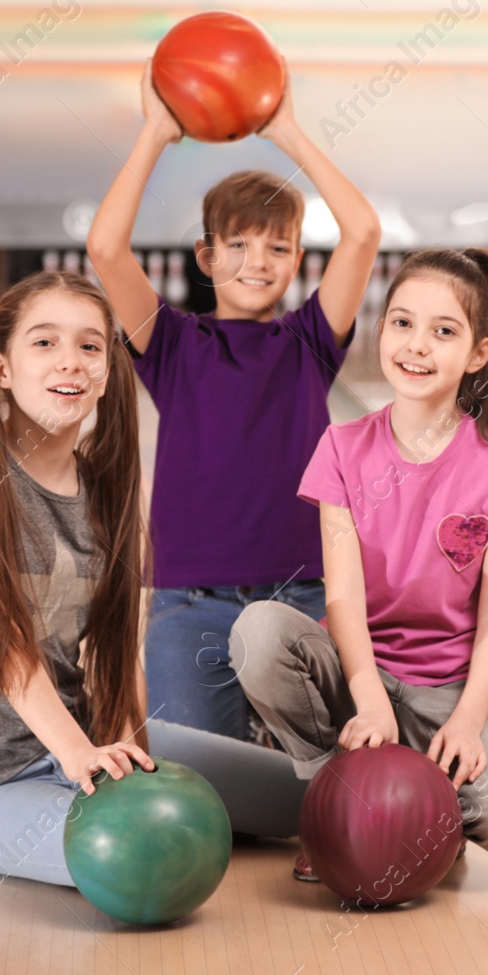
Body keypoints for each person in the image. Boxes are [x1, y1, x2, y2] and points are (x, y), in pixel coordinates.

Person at [0, 272, 310, 887]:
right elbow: (4, 644)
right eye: (44, 343)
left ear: (106, 371)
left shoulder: (101, 491)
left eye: (90, 346)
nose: (70, 360)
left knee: (315, 799)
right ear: (0, 370)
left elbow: (119, 648)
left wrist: (127, 749)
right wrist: (79, 757)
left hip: (88, 747)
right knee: (151, 853)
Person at [232, 249, 488, 880]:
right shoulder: (343, 449)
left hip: (451, 688)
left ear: (479, 354)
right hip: (359, 679)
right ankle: (338, 806)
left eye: (444, 331)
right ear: (381, 329)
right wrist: (371, 699)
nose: (417, 346)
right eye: (402, 323)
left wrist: (465, 722)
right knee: (258, 633)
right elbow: (343, 599)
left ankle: (420, 808)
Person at [87, 63, 381, 742]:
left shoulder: (309, 339)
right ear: (205, 255)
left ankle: (276, 740)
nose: (259, 260)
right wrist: (157, 131)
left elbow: (362, 232)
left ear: (299, 259)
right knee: (205, 785)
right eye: (240, 245)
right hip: (190, 605)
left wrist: (289, 133)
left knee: (322, 784)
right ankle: (255, 742)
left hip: (302, 601)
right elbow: (105, 248)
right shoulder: (171, 344)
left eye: (278, 246)